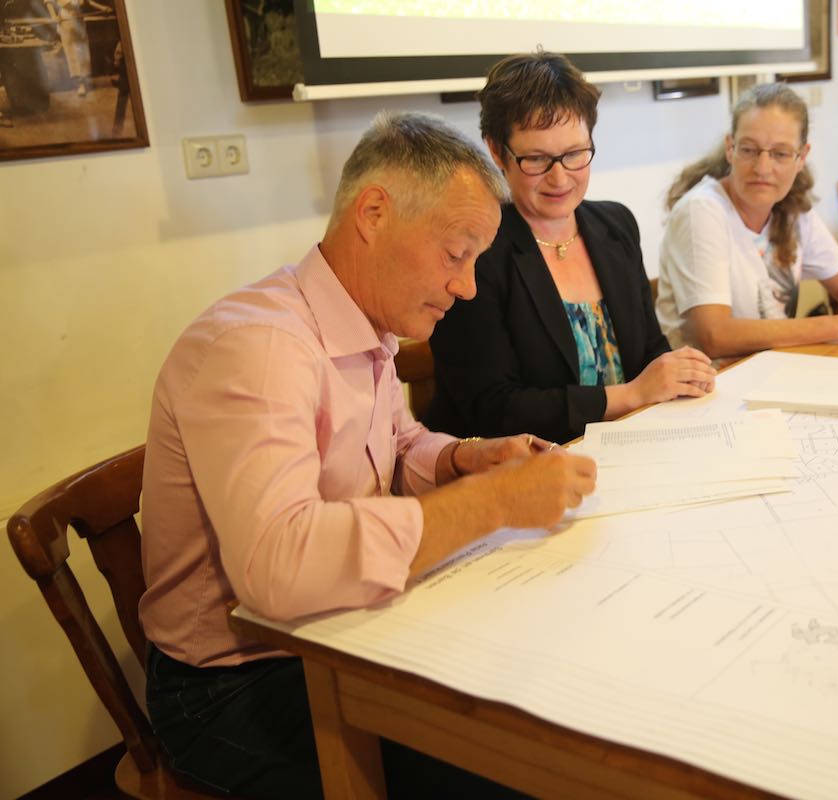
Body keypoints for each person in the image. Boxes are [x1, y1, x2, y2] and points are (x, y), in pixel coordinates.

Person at [138, 111, 597, 799]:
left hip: (335, 630)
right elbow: (278, 565)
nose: (468, 286)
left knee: (544, 681)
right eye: (456, 254)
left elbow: (396, 444)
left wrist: (464, 460)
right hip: (234, 682)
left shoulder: (363, 320)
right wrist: (495, 501)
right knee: (503, 764)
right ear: (374, 213)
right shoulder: (260, 348)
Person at [424, 51, 716, 444]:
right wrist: (631, 395)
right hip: (524, 465)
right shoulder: (474, 252)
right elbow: (494, 409)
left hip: (629, 448)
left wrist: (681, 373)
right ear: (496, 151)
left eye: (575, 154)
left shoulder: (616, 225)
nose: (560, 178)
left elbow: (648, 350)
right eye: (537, 159)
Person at [656, 82, 838, 359]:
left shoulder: (793, 210)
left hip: (771, 371)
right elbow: (714, 336)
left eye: (780, 154)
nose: (763, 168)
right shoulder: (701, 211)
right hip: (711, 380)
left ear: (801, 157)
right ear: (730, 148)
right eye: (749, 150)